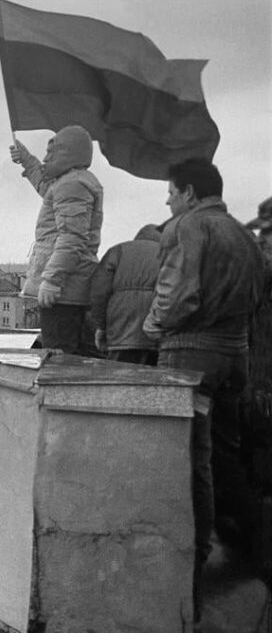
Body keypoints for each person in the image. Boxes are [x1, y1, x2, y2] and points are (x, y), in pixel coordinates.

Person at [142, 157, 266, 622]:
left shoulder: (186, 228)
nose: (168, 200)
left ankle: (192, 560)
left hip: (190, 355)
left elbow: (178, 296)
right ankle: (253, 544)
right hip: (237, 354)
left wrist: (152, 327)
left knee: (191, 460)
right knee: (228, 453)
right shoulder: (240, 232)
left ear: (190, 192)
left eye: (172, 192)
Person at [10, 126, 104, 354]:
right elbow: (47, 187)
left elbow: (72, 238)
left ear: (67, 154)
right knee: (73, 358)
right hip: (70, 288)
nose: (45, 158)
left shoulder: (73, 184)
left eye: (50, 153)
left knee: (60, 361)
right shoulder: (72, 182)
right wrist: (26, 160)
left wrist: (52, 280)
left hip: (64, 292)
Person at [89, 224, 162, 365]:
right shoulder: (170, 255)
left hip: (120, 334)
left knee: (116, 380)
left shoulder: (117, 251)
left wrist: (101, 326)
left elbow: (99, 293)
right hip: (156, 336)